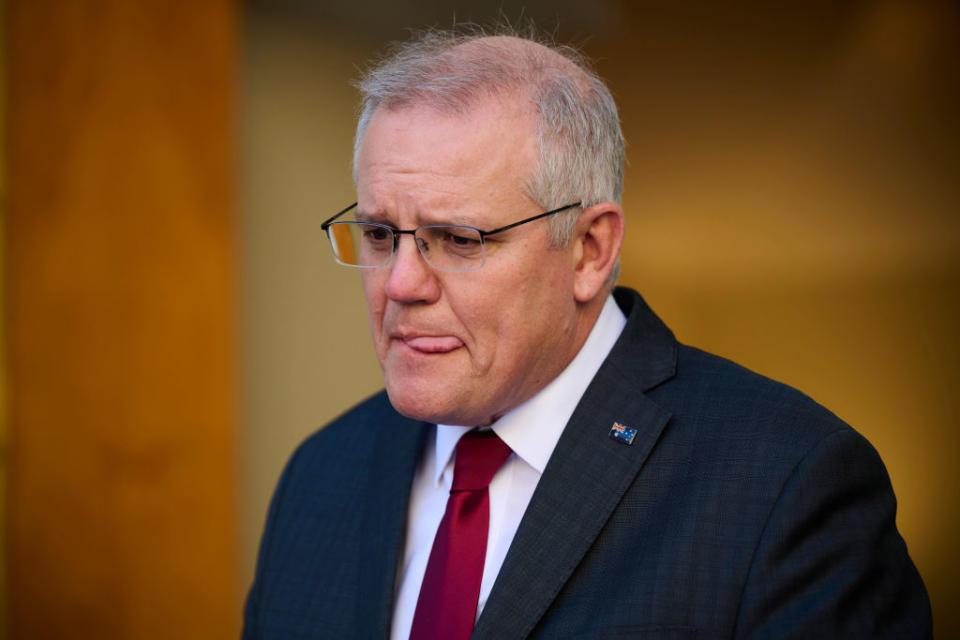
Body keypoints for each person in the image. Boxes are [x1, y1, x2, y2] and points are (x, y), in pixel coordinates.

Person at [244, 27, 931, 639]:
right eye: (380, 234)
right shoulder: (321, 474)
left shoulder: (786, 484)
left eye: (457, 238)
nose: (400, 284)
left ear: (590, 249)